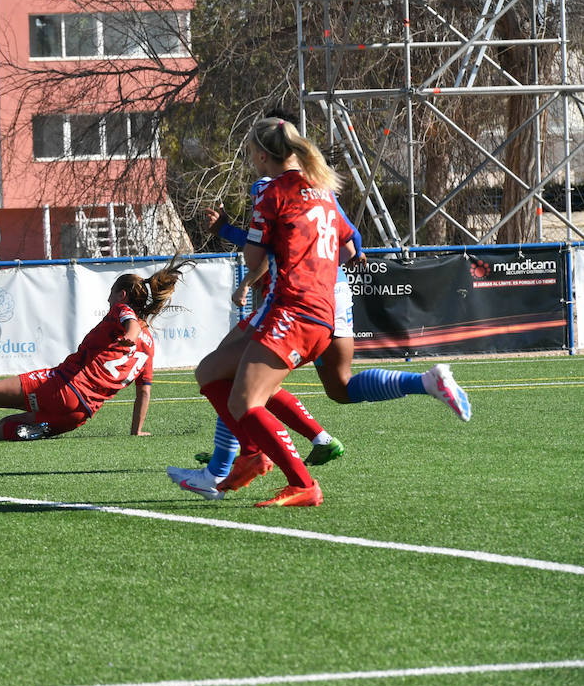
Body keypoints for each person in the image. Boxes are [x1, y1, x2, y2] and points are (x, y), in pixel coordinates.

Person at [171, 181, 470, 500]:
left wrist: (229, 234)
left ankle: (224, 467)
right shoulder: (320, 191)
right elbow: (352, 241)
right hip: (334, 295)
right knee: (339, 387)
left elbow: (263, 247)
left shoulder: (275, 189)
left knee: (226, 372)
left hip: (299, 300)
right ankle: (424, 382)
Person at [185, 117, 359, 507]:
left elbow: (252, 257)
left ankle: (298, 480)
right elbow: (351, 248)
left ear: (263, 156)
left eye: (252, 154)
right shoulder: (323, 188)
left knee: (244, 401)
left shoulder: (271, 192)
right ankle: (252, 453)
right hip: (317, 309)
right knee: (211, 372)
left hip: (293, 310)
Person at [0, 258, 191, 440]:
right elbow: (144, 392)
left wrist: (130, 334)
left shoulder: (123, 313)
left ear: (121, 294)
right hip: (78, 415)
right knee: (1, 431)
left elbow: (130, 325)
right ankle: (38, 426)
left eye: (112, 294)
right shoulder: (150, 347)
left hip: (60, 386)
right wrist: (136, 431)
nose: (109, 300)